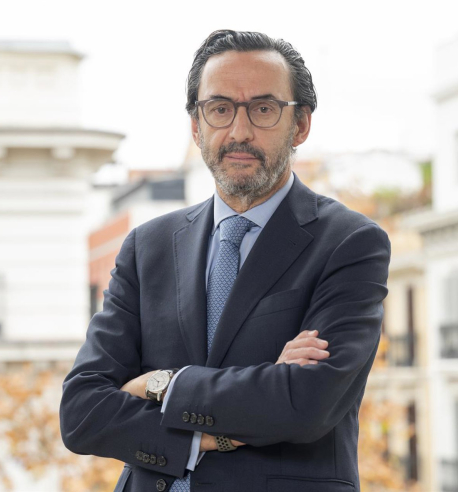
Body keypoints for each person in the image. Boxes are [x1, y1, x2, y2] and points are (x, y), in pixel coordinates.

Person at [60, 29, 391, 492]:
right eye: (219, 109)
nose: (239, 131)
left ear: (300, 125)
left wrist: (161, 383)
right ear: (196, 127)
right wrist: (209, 435)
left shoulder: (350, 243)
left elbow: (305, 404)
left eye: (263, 109)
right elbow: (81, 412)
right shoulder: (147, 247)